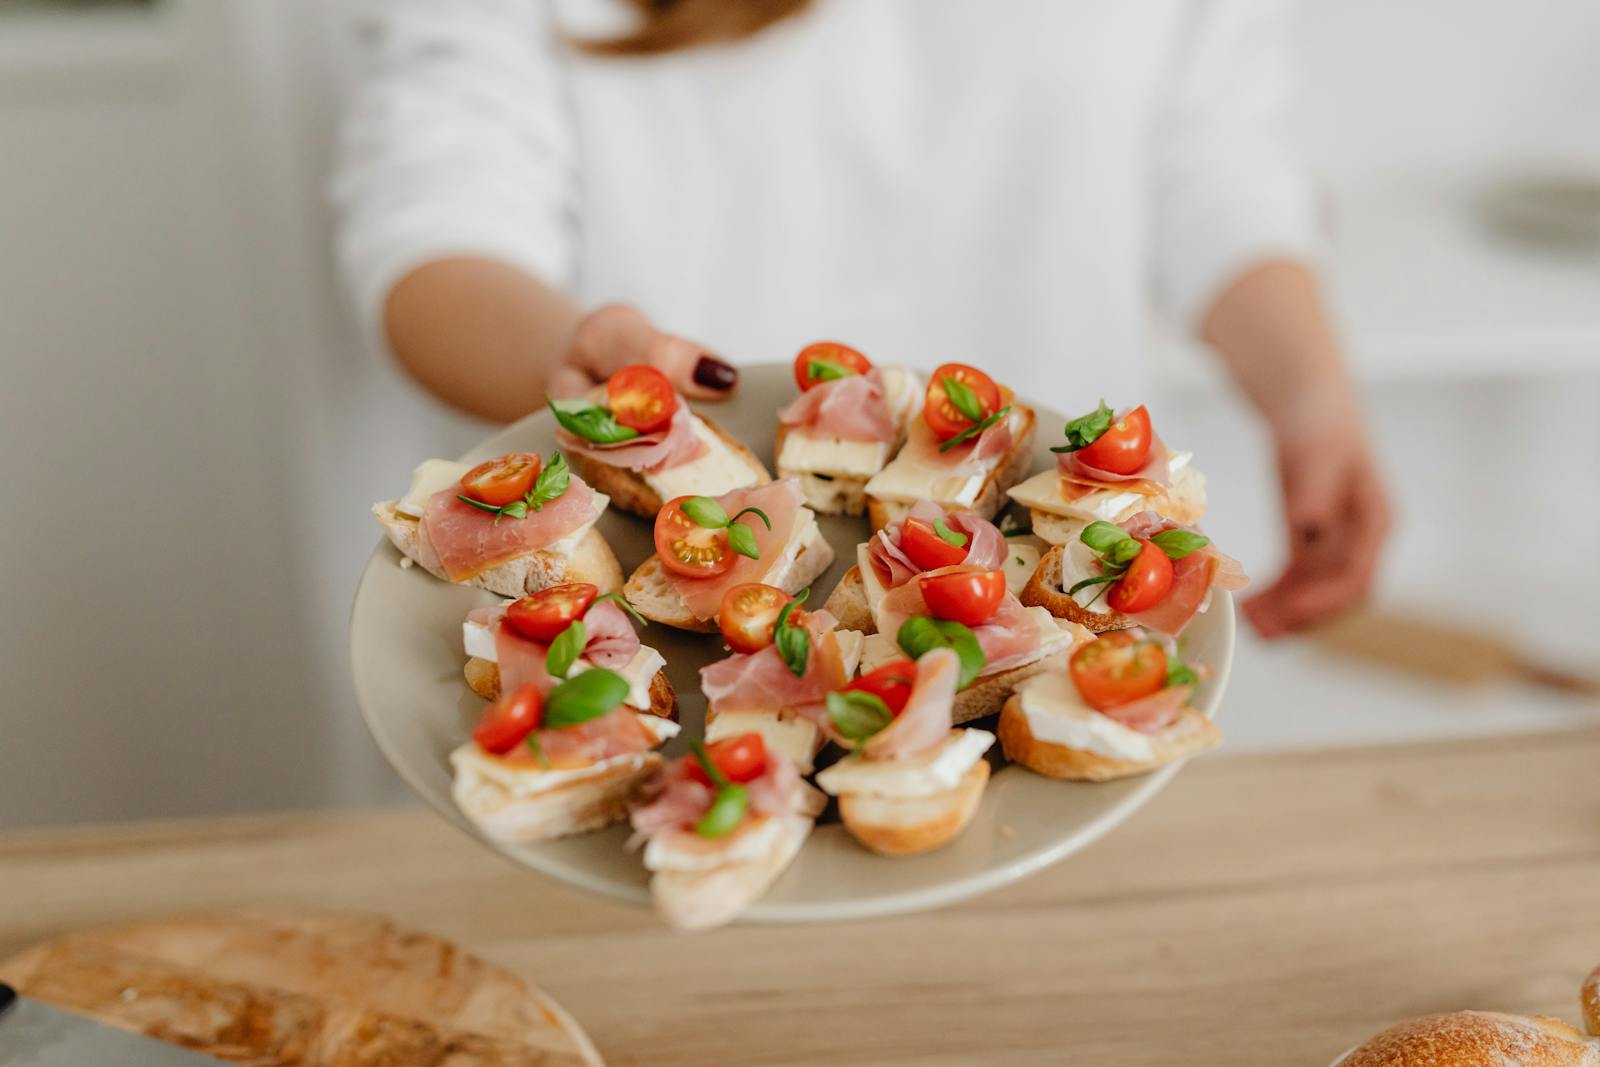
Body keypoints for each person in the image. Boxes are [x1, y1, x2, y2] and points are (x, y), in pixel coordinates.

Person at [333, 0, 1389, 638]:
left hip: (1060, 584)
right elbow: (433, 225)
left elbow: (1217, 173)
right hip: (629, 601)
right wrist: (572, 359)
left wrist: (1312, 401)